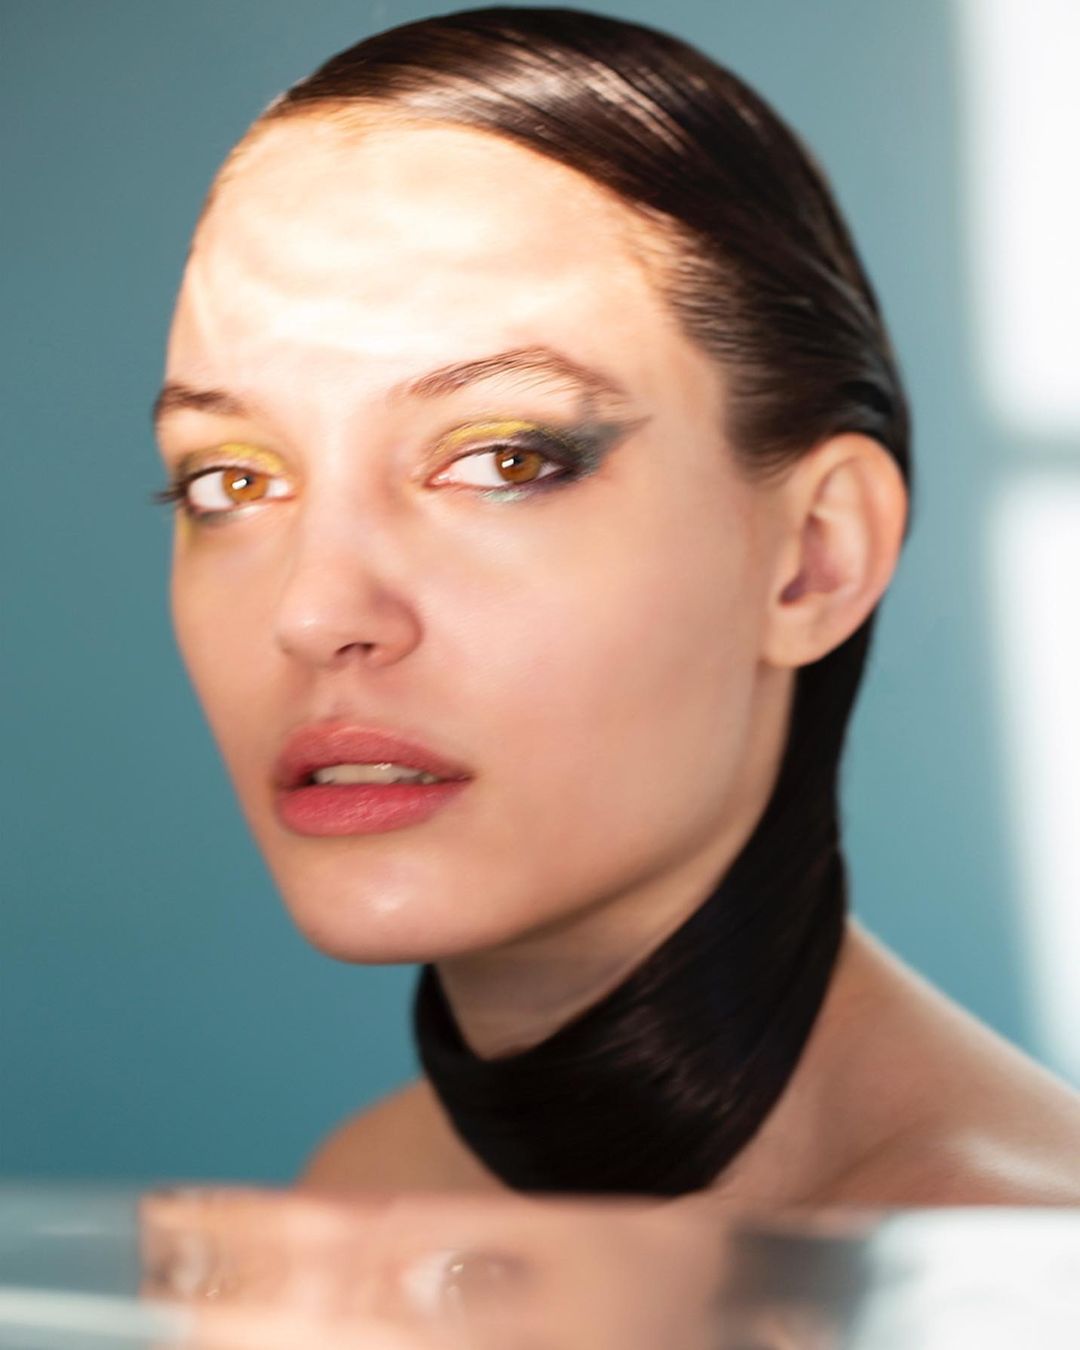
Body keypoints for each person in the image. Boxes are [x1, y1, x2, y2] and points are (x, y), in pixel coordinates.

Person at [153, 6, 1080, 1204]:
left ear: (815, 555)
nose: (315, 611)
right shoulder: (363, 1195)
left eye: (505, 459)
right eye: (231, 481)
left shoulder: (1006, 1268)